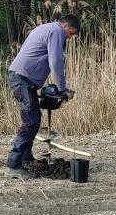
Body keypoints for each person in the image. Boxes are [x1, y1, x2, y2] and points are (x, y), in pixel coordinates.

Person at [5, 14, 80, 180]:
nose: (70, 37)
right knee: (31, 122)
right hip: (22, 78)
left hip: (22, 77)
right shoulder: (56, 31)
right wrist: (62, 89)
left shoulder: (46, 28)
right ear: (66, 26)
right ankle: (13, 165)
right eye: (71, 33)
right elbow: (55, 61)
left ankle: (25, 159)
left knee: (34, 118)